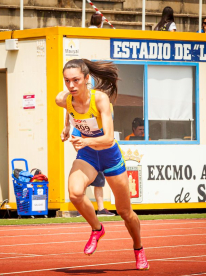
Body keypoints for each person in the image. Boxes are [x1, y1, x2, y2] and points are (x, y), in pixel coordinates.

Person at [56, 59, 149, 270]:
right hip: (88, 155)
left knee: (125, 212)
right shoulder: (62, 99)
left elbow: (108, 138)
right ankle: (97, 229)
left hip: (109, 155)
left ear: (87, 79)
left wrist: (85, 140)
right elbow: (71, 110)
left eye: (76, 80)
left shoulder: (100, 99)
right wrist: (67, 127)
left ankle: (138, 248)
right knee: (74, 193)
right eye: (67, 81)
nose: (71, 86)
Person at [71, 123, 115, 217]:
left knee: (99, 183)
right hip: (86, 157)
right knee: (82, 184)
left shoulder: (100, 121)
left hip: (99, 156)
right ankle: (81, 209)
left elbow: (108, 138)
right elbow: (74, 137)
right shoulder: (80, 123)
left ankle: (101, 209)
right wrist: (79, 150)